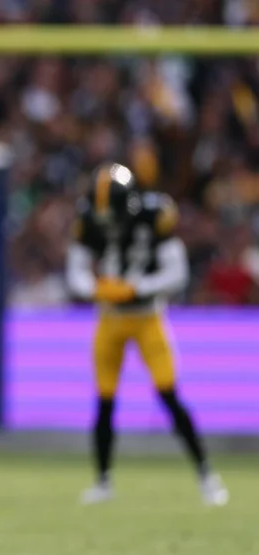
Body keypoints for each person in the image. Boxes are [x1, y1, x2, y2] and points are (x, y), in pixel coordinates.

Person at [66, 163, 229, 506]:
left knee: (168, 393)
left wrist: (136, 288)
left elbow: (177, 272)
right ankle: (103, 481)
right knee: (105, 401)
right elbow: (75, 270)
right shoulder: (89, 217)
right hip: (110, 319)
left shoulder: (155, 214)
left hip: (147, 317)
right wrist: (97, 289)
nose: (109, 222)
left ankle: (206, 475)